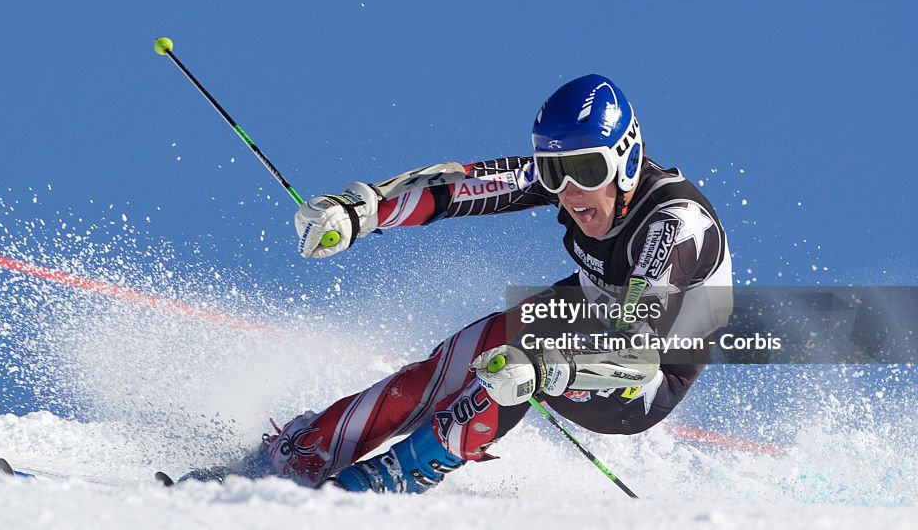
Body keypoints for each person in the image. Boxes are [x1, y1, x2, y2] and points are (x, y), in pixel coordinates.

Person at [231, 74, 732, 493]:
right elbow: (463, 187)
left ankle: (376, 486)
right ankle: (306, 452)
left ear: (625, 157)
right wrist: (364, 211)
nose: (569, 190)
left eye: (586, 169)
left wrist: (546, 370)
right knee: (461, 357)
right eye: (553, 172)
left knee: (513, 362)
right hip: (591, 313)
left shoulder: (673, 224)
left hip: (643, 378)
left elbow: (636, 354)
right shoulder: (570, 181)